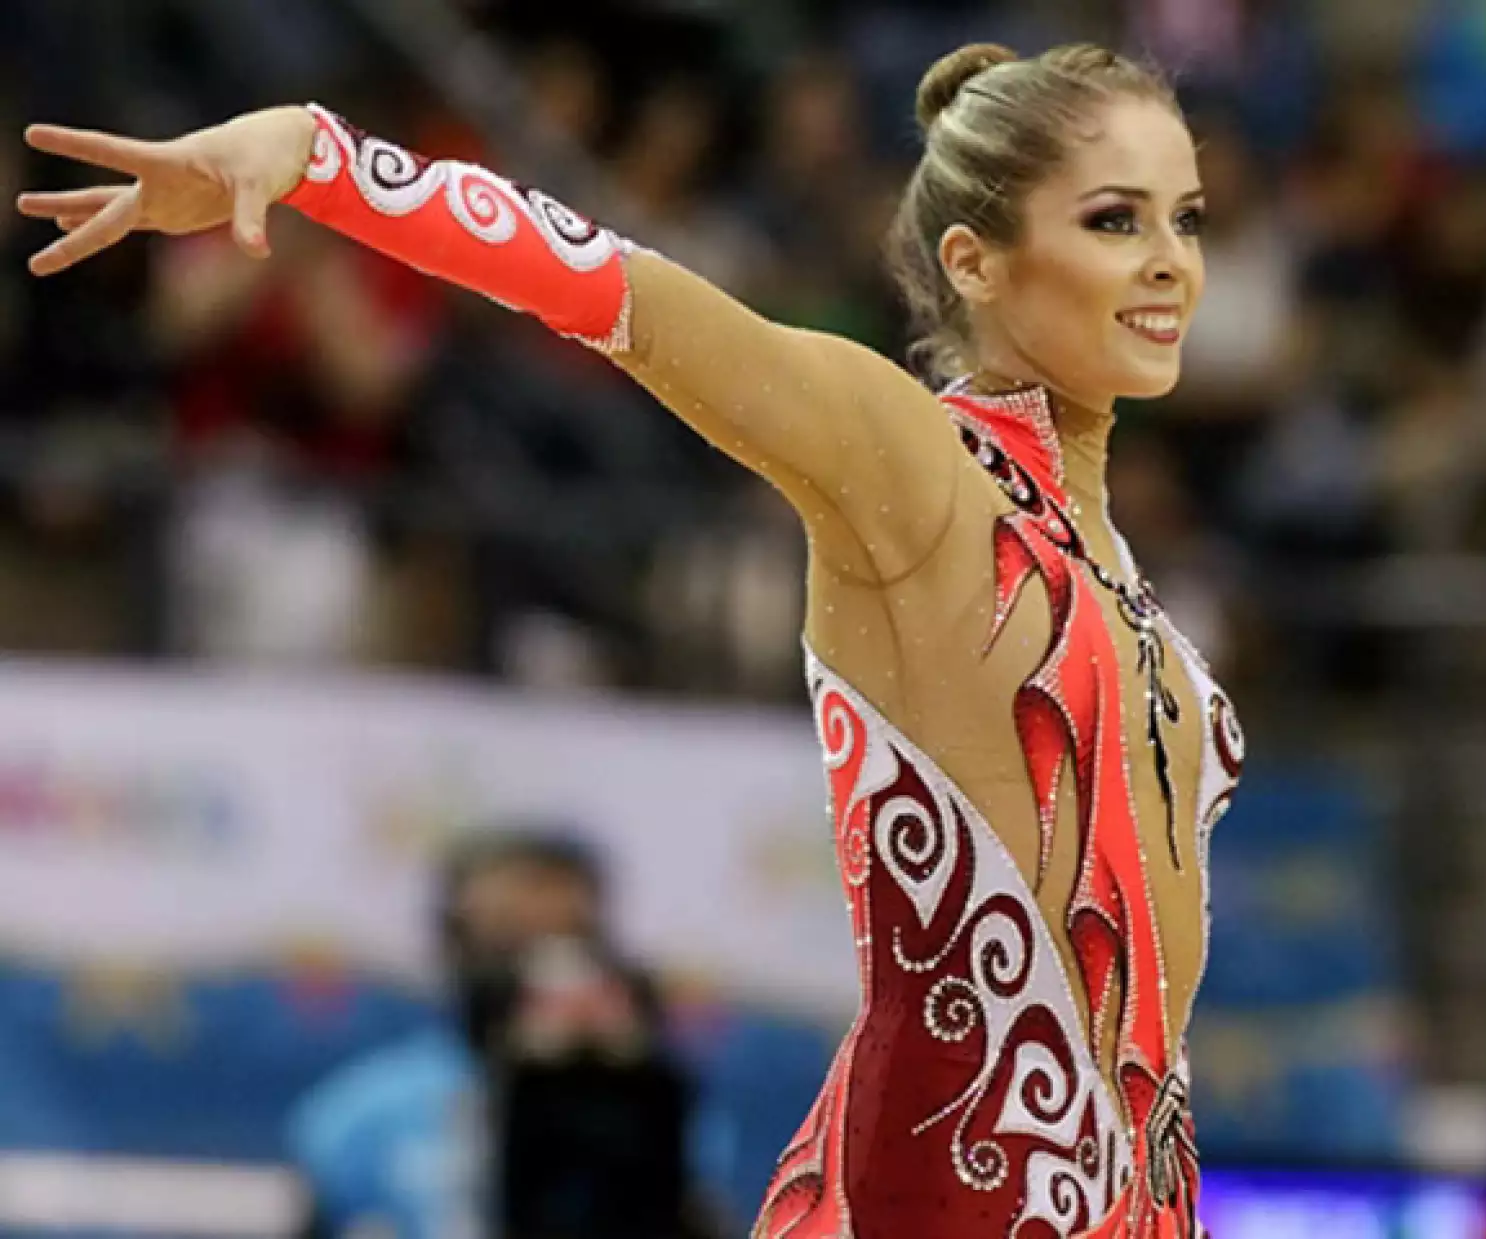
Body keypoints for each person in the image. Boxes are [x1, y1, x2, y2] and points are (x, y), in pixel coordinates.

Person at [17, 38, 1247, 1239]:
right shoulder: (914, 461)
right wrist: (312, 157)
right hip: (943, 1187)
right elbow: (618, 294)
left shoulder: (1125, 579)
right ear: (974, 263)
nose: (1168, 265)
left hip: (1135, 1197)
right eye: (1113, 221)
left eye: (1184, 220)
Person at [286, 830, 692, 1239]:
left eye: (567, 934)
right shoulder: (362, 1112)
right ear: (455, 936)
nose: (539, 963)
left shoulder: (658, 1103)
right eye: (510, 932)